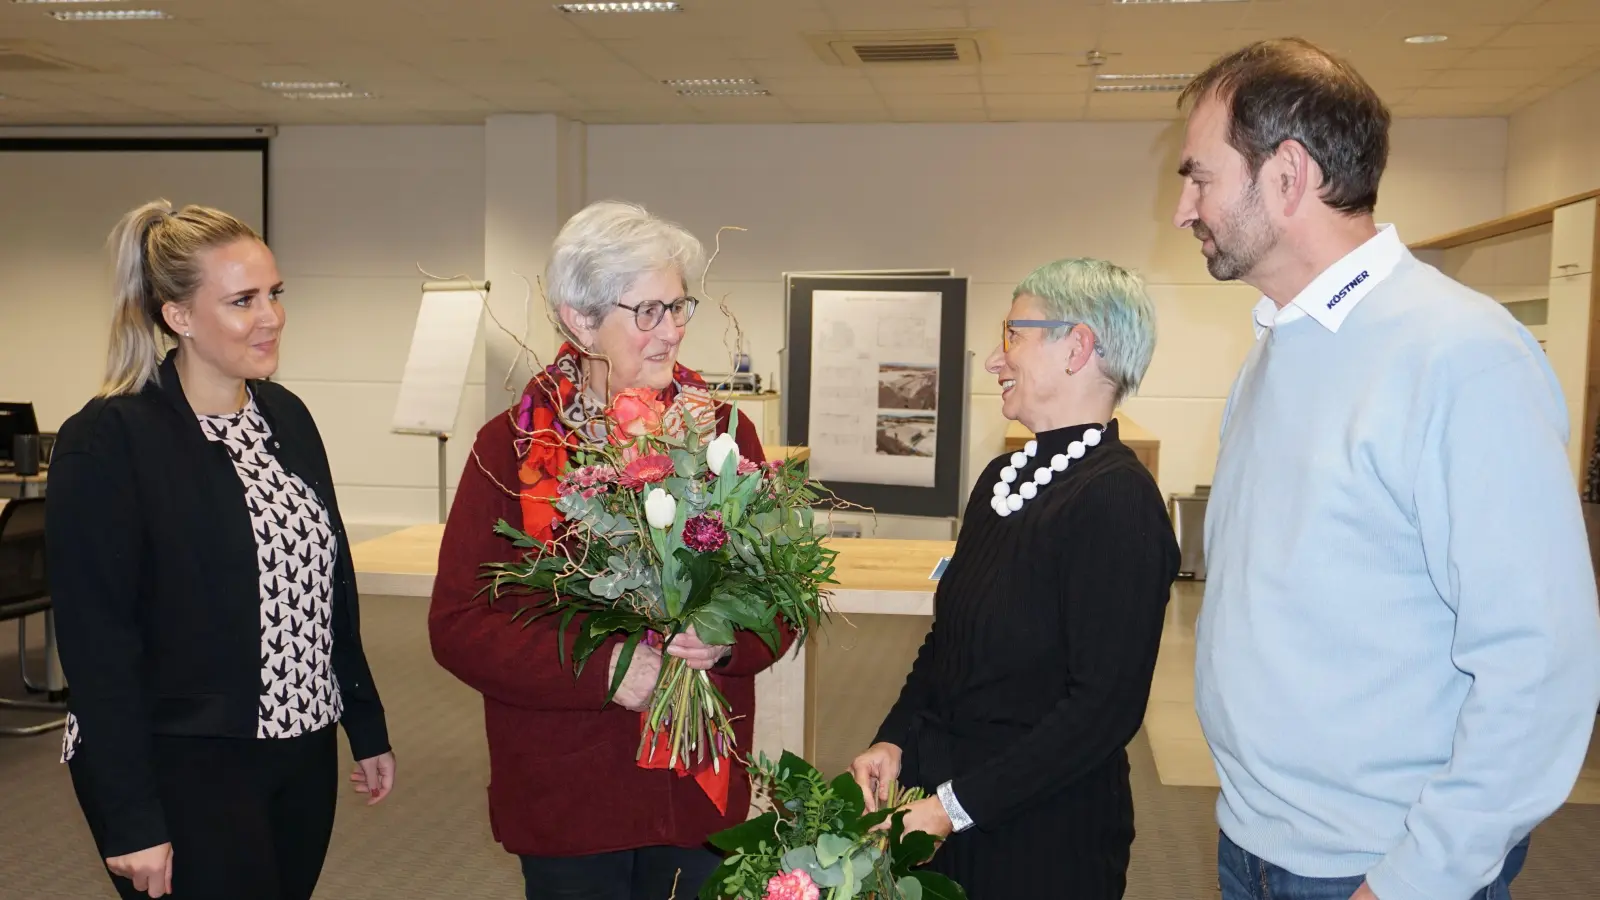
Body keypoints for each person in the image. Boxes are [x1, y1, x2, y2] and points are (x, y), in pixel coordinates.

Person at [1176, 38, 1600, 900]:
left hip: (1379, 866)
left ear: (1287, 176)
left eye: (1200, 177)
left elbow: (1540, 665)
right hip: (1253, 838)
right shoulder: (1276, 345)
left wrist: (1421, 879)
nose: (1184, 209)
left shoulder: (1461, 356)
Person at [428, 200, 791, 900]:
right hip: (572, 797)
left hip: (697, 793)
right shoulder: (510, 449)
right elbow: (461, 626)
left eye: (680, 306)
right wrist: (605, 669)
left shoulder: (724, 439)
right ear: (580, 319)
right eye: (648, 312)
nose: (674, 331)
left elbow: (780, 599)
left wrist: (723, 645)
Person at [47, 200, 397, 900]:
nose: (270, 316)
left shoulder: (285, 415)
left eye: (274, 294)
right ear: (178, 316)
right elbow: (96, 645)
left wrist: (364, 720)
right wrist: (131, 815)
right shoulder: (110, 439)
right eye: (242, 300)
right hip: (182, 758)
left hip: (300, 748)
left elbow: (328, 583)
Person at [849, 258, 1179, 899]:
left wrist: (954, 807)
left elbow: (1101, 711)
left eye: (1013, 336)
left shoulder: (1117, 500)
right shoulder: (1000, 481)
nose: (994, 362)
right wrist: (895, 738)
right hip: (947, 811)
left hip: (1041, 837)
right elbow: (948, 643)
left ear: (1076, 347)